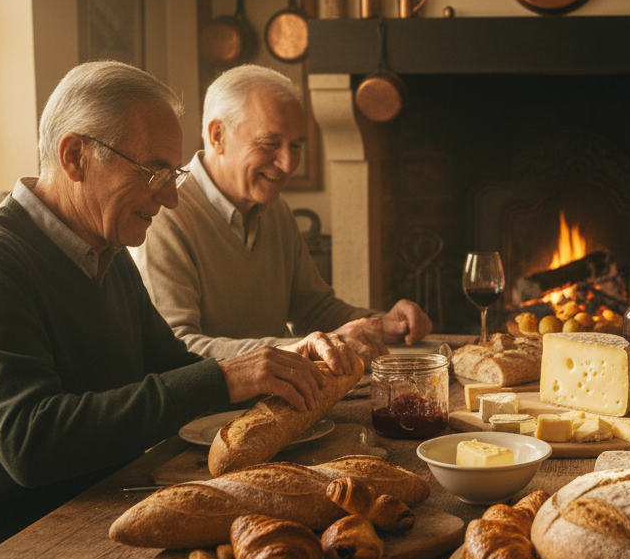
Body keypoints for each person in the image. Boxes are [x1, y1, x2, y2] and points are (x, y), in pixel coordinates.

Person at [0, 61, 358, 559]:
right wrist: (226, 376)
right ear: (75, 156)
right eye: (153, 172)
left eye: (174, 175)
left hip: (106, 510)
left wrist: (276, 362)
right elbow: (30, 443)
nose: (170, 196)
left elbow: (173, 365)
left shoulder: (102, 251)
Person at [132, 64, 432, 362]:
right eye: (270, 143)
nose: (289, 164)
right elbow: (178, 349)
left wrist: (383, 324)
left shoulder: (275, 210)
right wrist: (306, 347)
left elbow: (315, 310)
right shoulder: (163, 215)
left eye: (296, 146)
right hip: (212, 408)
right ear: (217, 136)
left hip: (282, 393)